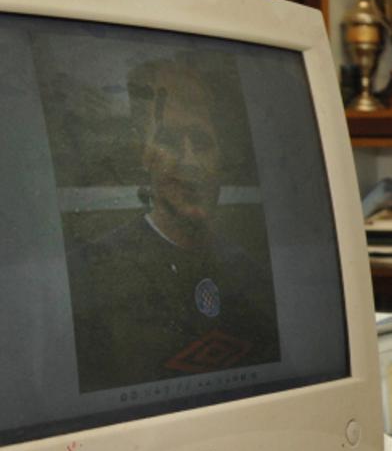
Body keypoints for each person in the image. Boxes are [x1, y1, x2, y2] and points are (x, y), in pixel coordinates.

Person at [66, 56, 280, 392]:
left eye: (202, 142)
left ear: (222, 157)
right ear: (144, 155)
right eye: (167, 141)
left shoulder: (251, 275)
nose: (189, 161)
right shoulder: (93, 273)